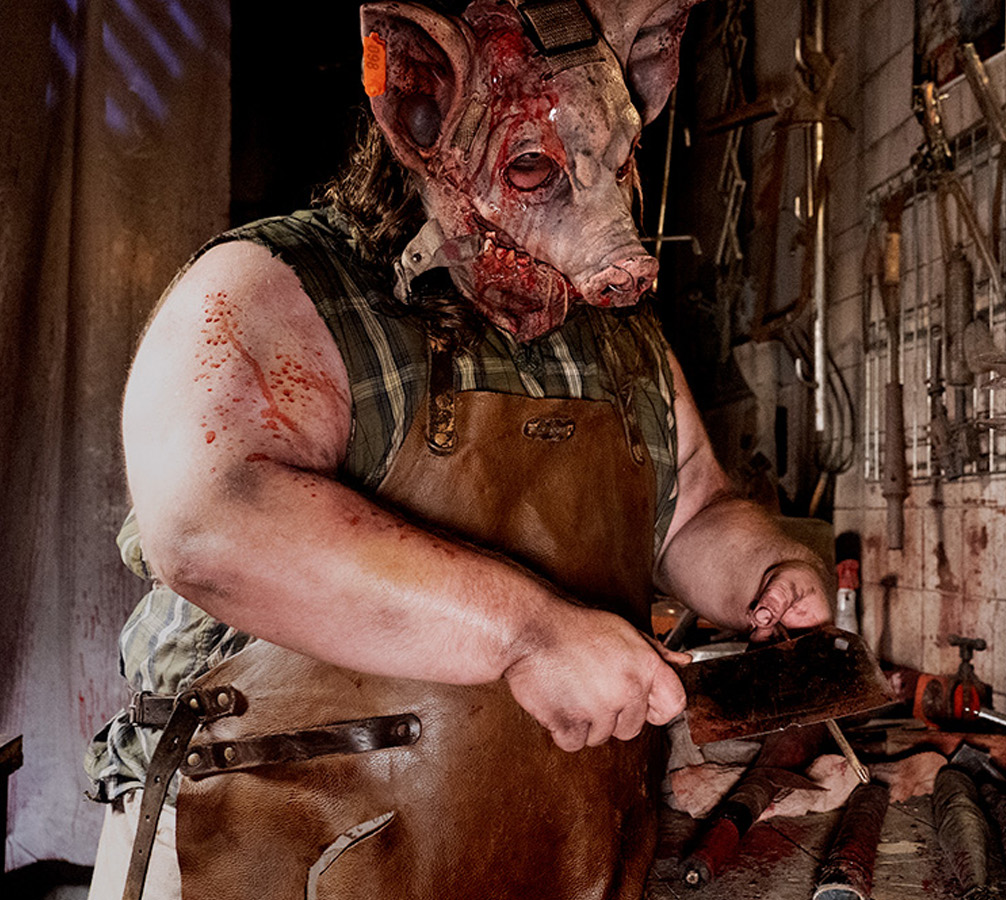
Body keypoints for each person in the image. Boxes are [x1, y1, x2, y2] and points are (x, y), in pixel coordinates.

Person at [82, 2, 831, 898]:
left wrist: (762, 572)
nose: (612, 233)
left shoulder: (623, 336)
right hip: (271, 853)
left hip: (559, 853)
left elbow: (694, 509)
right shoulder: (271, 289)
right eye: (532, 167)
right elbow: (213, 527)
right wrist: (527, 632)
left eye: (615, 163)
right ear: (422, 110)